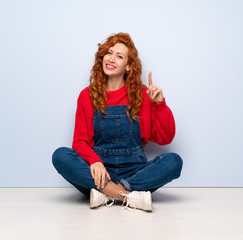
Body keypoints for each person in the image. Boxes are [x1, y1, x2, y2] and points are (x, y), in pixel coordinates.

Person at [52, 32, 183, 212]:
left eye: (119, 56)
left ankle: (105, 194)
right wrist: (95, 162)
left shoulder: (144, 96)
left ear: (128, 66)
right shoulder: (87, 96)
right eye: (109, 53)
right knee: (60, 155)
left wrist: (160, 104)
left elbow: (165, 138)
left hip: (135, 172)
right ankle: (128, 197)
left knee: (174, 161)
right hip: (99, 172)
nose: (111, 59)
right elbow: (79, 142)